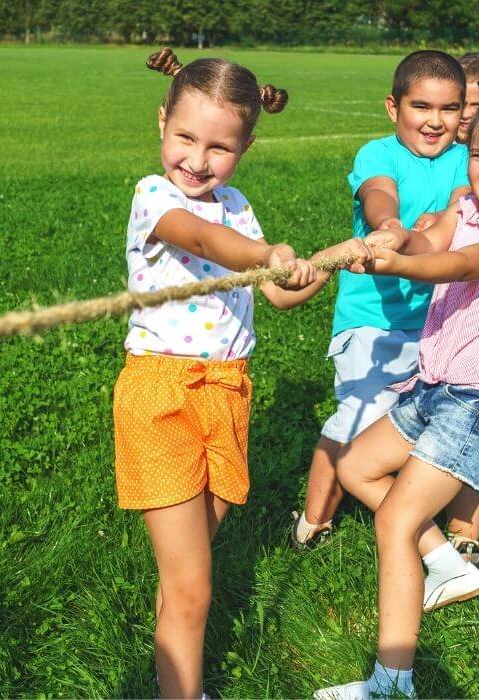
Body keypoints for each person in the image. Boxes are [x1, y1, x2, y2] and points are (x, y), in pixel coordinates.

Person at [115, 47, 364, 699]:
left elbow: (277, 294)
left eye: (219, 147)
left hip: (226, 395)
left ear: (245, 146)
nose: (197, 161)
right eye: (185, 138)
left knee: (189, 572)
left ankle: (175, 672)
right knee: (193, 582)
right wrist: (266, 254)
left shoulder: (240, 206)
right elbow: (199, 240)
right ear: (161, 121)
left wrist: (323, 265)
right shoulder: (155, 197)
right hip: (162, 396)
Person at [313, 78, 479, 700]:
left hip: (477, 403)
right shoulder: (466, 205)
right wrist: (393, 239)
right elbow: (433, 242)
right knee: (355, 466)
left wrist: (398, 264)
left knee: (396, 523)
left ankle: (391, 683)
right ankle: (447, 562)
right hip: (432, 385)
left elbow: (455, 265)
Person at [291, 51, 469, 550]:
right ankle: (313, 521)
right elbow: (378, 195)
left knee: (438, 425)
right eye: (421, 106)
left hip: (438, 323)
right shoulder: (378, 153)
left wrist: (433, 227)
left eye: (449, 109)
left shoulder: (463, 161)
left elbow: (459, 209)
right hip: (372, 322)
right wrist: (388, 225)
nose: (435, 121)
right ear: (393, 107)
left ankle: (446, 527)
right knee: (357, 418)